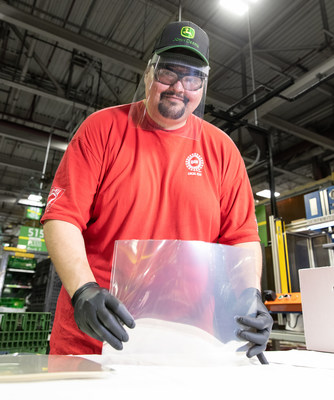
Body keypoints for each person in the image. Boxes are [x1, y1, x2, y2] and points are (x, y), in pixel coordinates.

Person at [41, 20, 273, 357]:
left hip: (190, 344)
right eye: (169, 72)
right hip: (95, 338)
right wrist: (83, 291)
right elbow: (62, 217)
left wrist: (251, 294)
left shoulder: (222, 150)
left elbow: (242, 238)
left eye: (192, 77)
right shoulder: (102, 130)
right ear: (149, 73)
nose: (179, 86)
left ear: (203, 85)